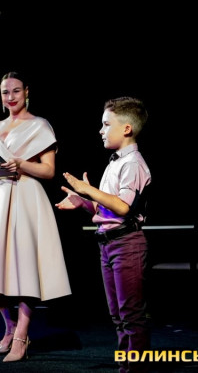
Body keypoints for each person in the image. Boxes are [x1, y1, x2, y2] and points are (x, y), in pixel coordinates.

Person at [0, 71, 72, 363]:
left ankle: (22, 334)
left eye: (15, 90)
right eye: (5, 92)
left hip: (26, 197)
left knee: (25, 268)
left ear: (26, 92)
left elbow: (48, 171)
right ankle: (9, 328)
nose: (10, 97)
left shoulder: (39, 126)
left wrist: (21, 164)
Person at [55, 96, 151, 373]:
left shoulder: (133, 163)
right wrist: (84, 202)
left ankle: (135, 368)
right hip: (108, 244)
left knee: (131, 314)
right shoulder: (114, 163)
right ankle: (125, 364)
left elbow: (123, 207)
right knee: (117, 314)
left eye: (106, 124)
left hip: (127, 244)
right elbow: (107, 208)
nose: (101, 130)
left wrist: (89, 190)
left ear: (127, 128)